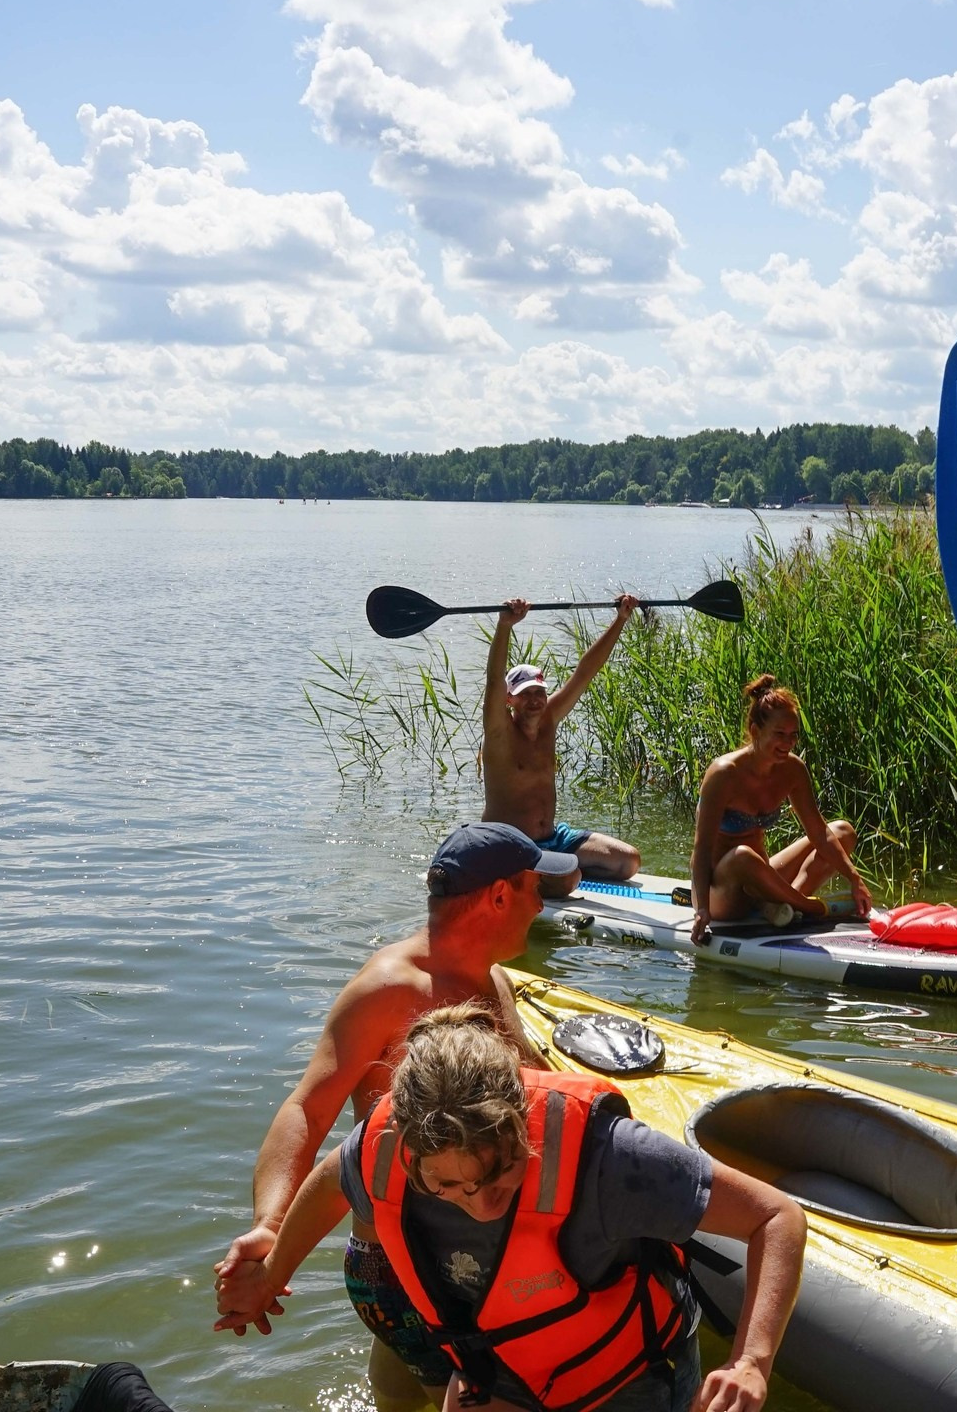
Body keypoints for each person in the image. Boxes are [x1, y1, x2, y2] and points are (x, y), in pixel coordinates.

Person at [216, 1005, 806, 1412]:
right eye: (448, 1185)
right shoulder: (384, 1147)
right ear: (411, 1152)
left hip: (629, 1375)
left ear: (522, 1124)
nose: (480, 1202)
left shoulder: (611, 1156)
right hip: (499, 1370)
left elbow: (776, 1217)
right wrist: (272, 1271)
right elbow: (329, 1181)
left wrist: (752, 1360)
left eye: (500, 1174)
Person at [214, 823, 576, 1410]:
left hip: (465, 1250)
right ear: (500, 896)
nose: (542, 903)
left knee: (398, 1391)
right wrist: (271, 1226)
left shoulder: (493, 975)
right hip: (406, 1264)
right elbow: (308, 1108)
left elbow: (536, 1091)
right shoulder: (388, 990)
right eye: (535, 888)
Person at [484, 595, 645, 894]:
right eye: (524, 693)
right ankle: (519, 874)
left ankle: (552, 870)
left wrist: (621, 619)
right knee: (568, 880)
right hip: (511, 844)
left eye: (539, 692)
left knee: (629, 862)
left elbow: (586, 672)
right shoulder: (499, 733)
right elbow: (494, 680)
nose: (534, 700)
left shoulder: (549, 720)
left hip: (554, 836)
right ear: (510, 700)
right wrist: (505, 626)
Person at [688, 676, 870, 939]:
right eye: (779, 734)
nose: (788, 743)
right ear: (755, 731)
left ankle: (783, 907)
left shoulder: (793, 770)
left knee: (843, 832)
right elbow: (701, 849)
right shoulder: (724, 773)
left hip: (763, 880)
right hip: (723, 893)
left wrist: (855, 880)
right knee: (742, 855)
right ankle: (808, 907)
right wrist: (702, 909)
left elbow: (820, 833)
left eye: (793, 735)